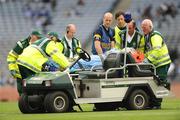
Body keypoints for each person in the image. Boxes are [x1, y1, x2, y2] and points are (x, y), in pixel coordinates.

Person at [141, 19, 171, 108]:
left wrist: (147, 61)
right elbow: (149, 51)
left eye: (145, 27)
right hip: (156, 64)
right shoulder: (147, 36)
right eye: (142, 27)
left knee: (159, 83)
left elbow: (157, 50)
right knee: (155, 83)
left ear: (150, 27)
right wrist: (144, 59)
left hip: (162, 63)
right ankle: (153, 103)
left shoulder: (155, 36)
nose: (143, 29)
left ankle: (157, 105)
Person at [7, 30, 43, 95]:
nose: (39, 39)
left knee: (35, 94)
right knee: (23, 94)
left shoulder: (39, 46)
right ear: (31, 36)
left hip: (34, 73)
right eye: (37, 37)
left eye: (40, 38)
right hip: (21, 74)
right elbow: (11, 56)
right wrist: (12, 69)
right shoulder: (22, 44)